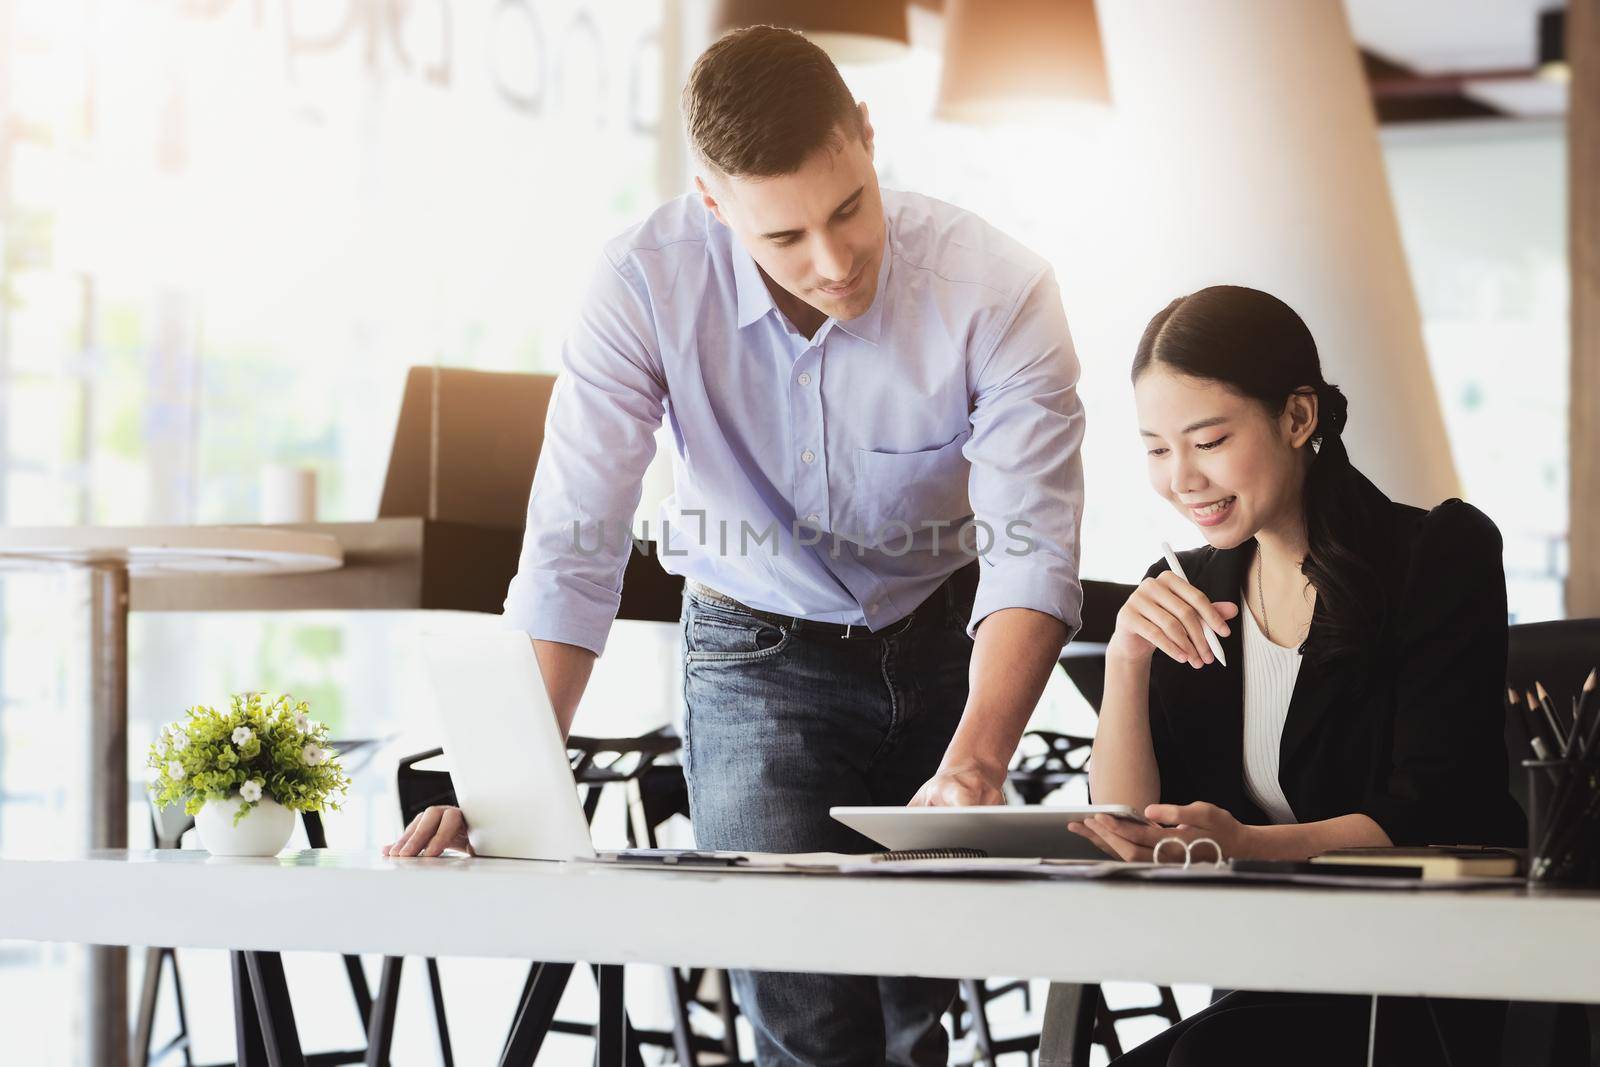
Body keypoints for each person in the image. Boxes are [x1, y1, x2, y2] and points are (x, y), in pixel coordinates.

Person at [385, 25, 1086, 1066]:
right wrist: (505, 789)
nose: (833, 261)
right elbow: (574, 548)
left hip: (944, 637)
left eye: (849, 209)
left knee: (909, 1006)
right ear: (714, 204)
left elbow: (1032, 545)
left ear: (866, 136)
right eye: (785, 238)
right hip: (756, 653)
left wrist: (977, 762)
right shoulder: (640, 285)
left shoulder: (998, 287)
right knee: (802, 1008)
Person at [1072, 285, 1523, 1066]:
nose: (1180, 477)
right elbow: (1132, 819)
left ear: (1298, 417)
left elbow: (1435, 809)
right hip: (1275, 975)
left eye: (1208, 440)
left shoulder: (1436, 556)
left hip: (1421, 976)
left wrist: (1249, 843)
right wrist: (1124, 658)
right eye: (1155, 448)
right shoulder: (1188, 587)